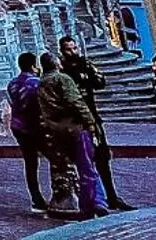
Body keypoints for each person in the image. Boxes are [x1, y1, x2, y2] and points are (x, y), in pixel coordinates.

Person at [60, 35, 133, 211]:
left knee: (102, 159)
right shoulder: (62, 71)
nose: (73, 52)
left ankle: (112, 196)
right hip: (75, 122)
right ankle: (92, 201)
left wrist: (89, 74)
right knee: (83, 163)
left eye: (74, 48)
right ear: (62, 51)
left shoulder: (85, 64)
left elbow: (100, 82)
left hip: (93, 118)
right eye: (68, 49)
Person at [37, 51, 103, 220]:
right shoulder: (62, 79)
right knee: (86, 167)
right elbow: (76, 102)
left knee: (68, 166)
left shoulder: (42, 83)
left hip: (54, 130)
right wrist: (91, 123)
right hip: (73, 127)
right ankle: (91, 204)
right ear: (56, 63)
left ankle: (89, 202)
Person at [7, 51, 47, 214]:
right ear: (33, 66)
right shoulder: (36, 83)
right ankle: (61, 194)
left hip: (18, 126)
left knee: (30, 163)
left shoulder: (12, 83)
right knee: (55, 158)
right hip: (34, 126)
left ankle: (36, 198)